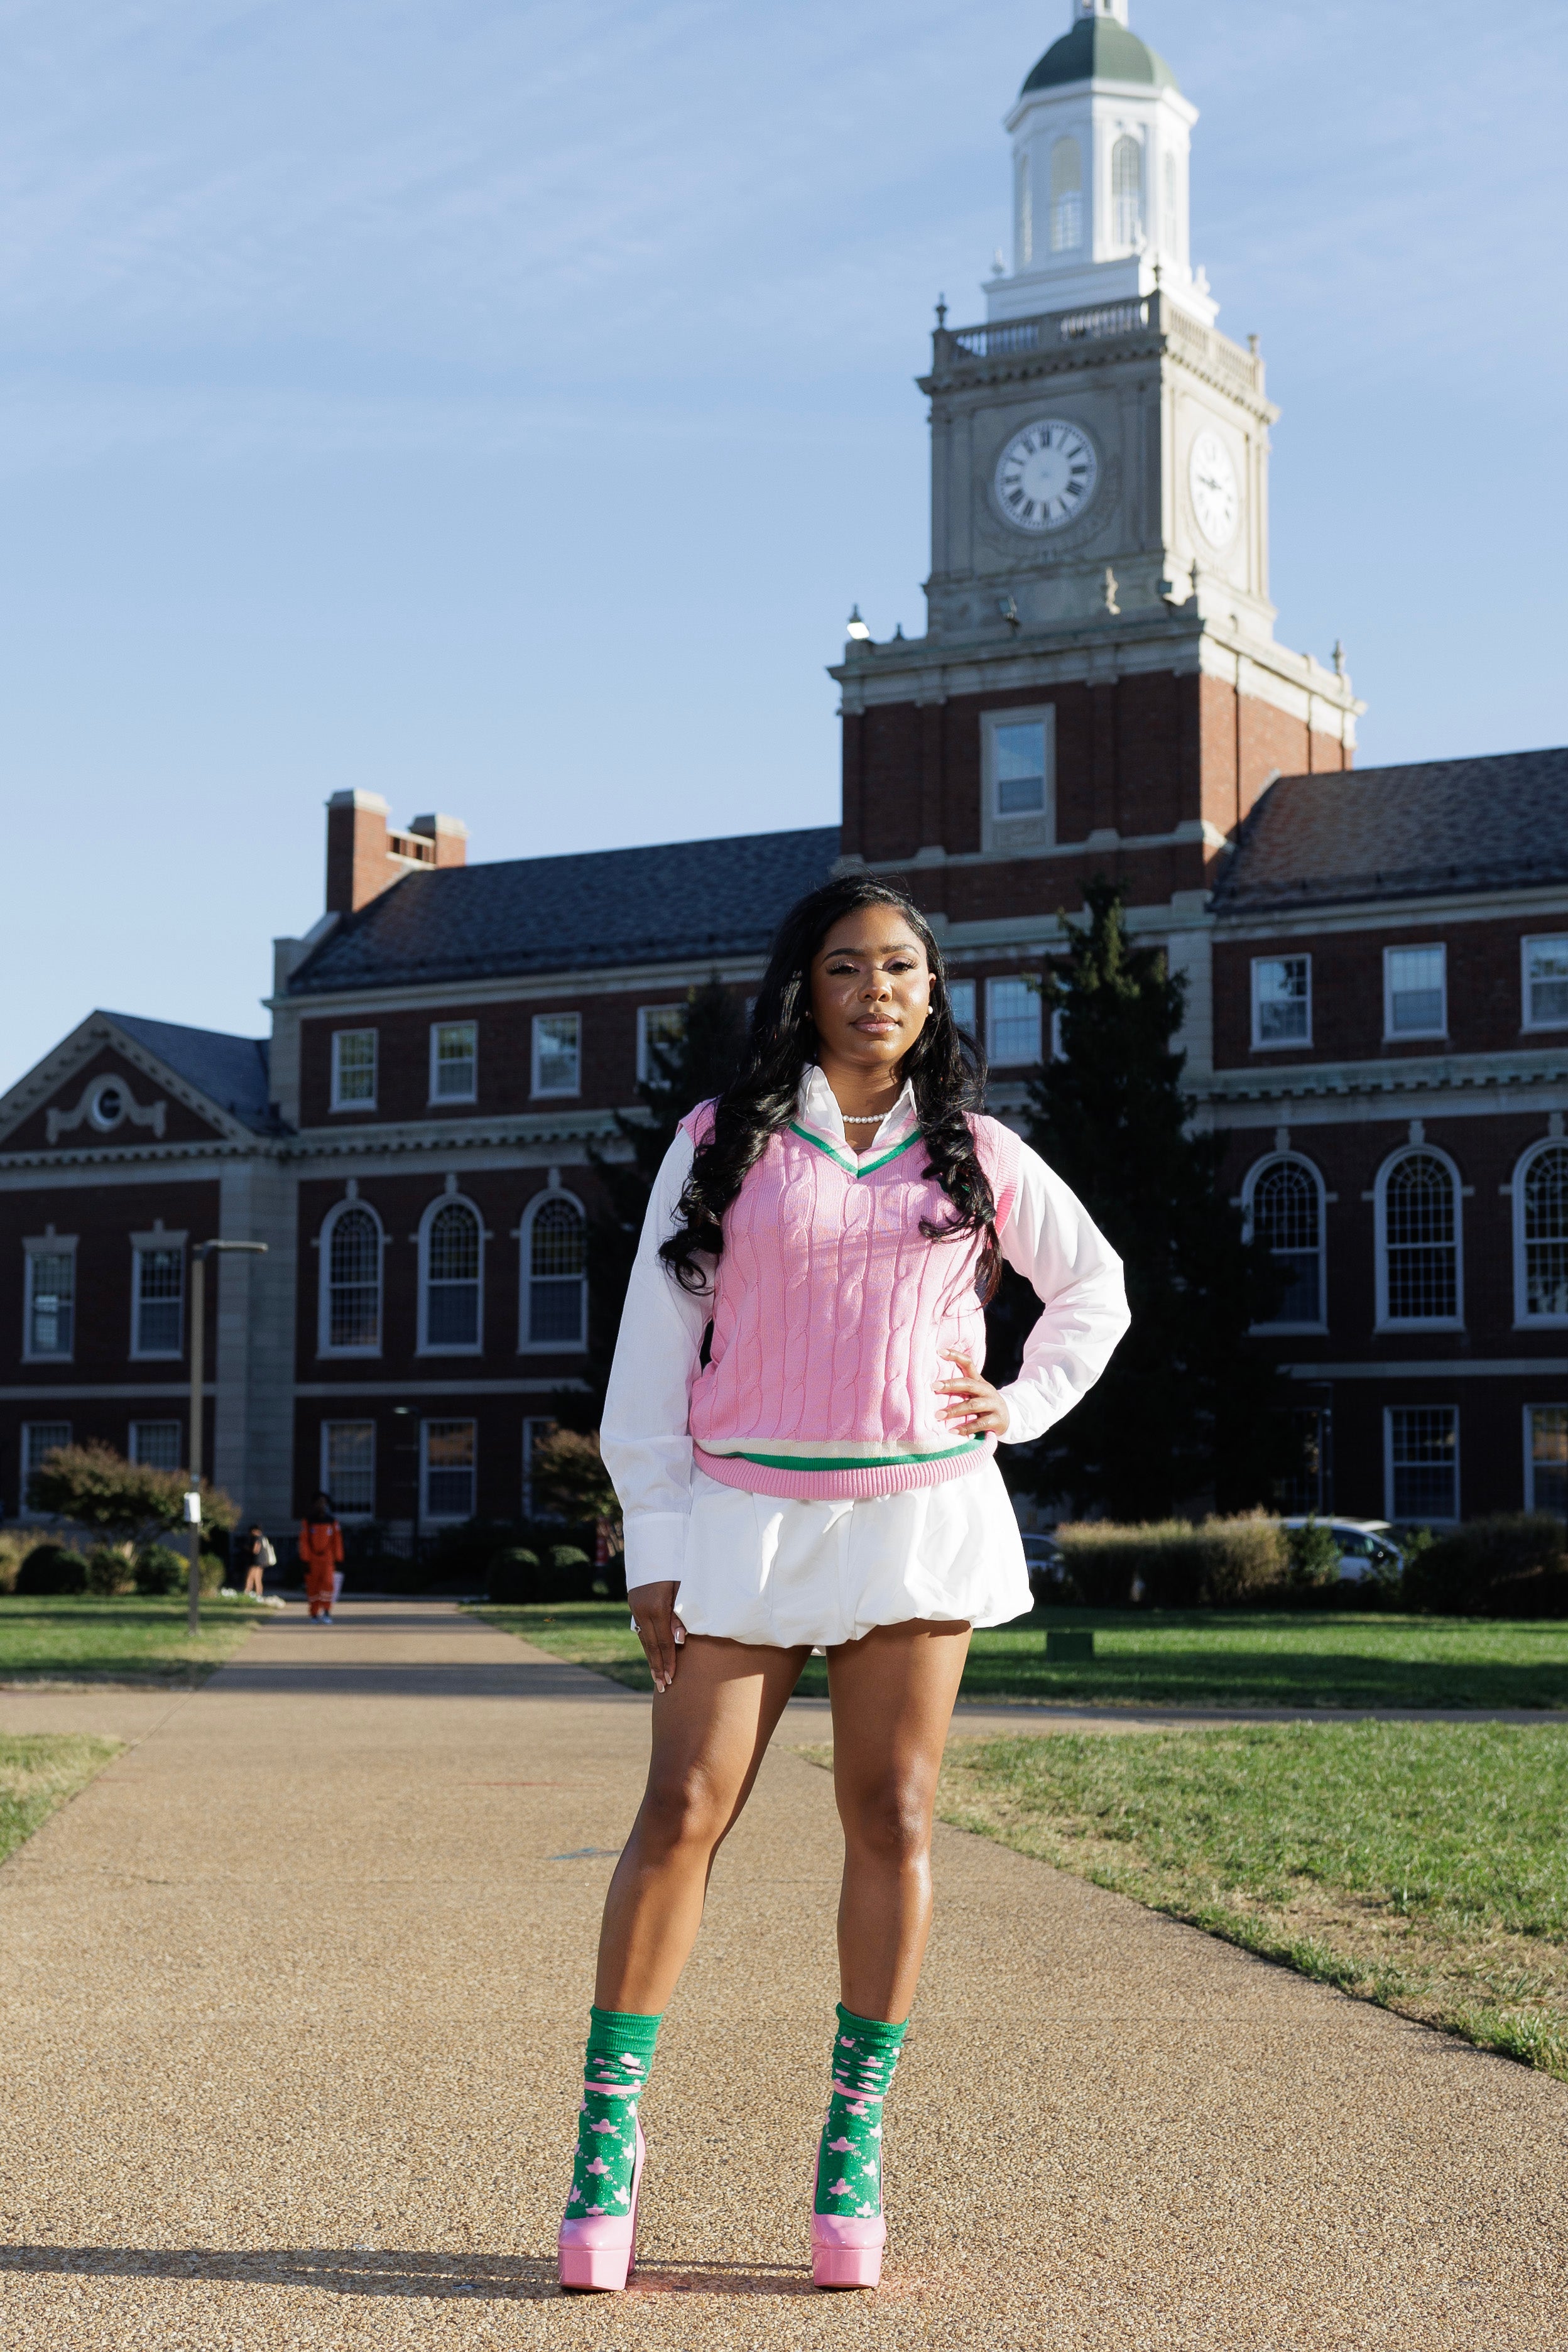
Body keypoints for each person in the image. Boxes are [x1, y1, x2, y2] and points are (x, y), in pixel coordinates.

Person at [556, 875, 1129, 2295]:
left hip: (916, 1515)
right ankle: (606, 2140)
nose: (879, 989)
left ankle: (851, 2138)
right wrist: (655, 1536)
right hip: (742, 1513)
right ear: (802, 988)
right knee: (680, 1810)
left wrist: (1017, 1400)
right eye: (847, 966)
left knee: (893, 1814)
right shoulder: (721, 1141)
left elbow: (1094, 1287)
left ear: (933, 992)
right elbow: (652, 1341)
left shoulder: (978, 1150)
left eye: (903, 967)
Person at [298, 1494, 343, 1623]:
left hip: (328, 1560)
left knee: (328, 1585)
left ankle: (327, 1611)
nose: (322, 1505)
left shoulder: (332, 1521)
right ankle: (314, 1613)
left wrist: (339, 1559)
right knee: (313, 1587)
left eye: (324, 1503)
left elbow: (337, 1541)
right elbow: (304, 1541)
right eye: (319, 1502)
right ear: (314, 1505)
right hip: (312, 1560)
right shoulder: (308, 1521)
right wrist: (305, 1559)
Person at [238, 1523, 276, 1600]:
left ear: (254, 1531)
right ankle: (259, 1594)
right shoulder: (263, 1538)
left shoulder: (257, 1538)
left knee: (250, 1577)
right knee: (258, 1579)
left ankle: (247, 1593)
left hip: (256, 1561)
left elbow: (255, 1550)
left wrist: (247, 1548)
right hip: (262, 1562)